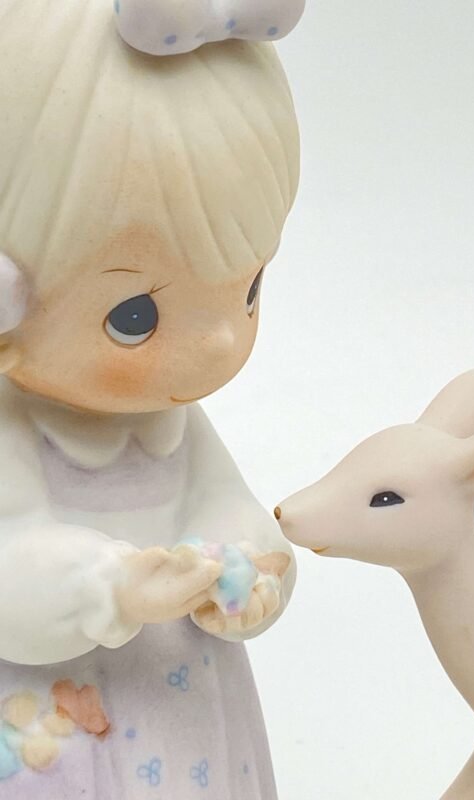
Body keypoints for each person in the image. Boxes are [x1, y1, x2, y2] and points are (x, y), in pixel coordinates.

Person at [0, 0, 302, 795]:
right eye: (135, 316)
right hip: (55, 709)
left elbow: (224, 501)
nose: (221, 342)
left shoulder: (172, 419)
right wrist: (113, 587)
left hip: (187, 707)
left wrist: (252, 567)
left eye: (248, 288)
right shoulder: (12, 430)